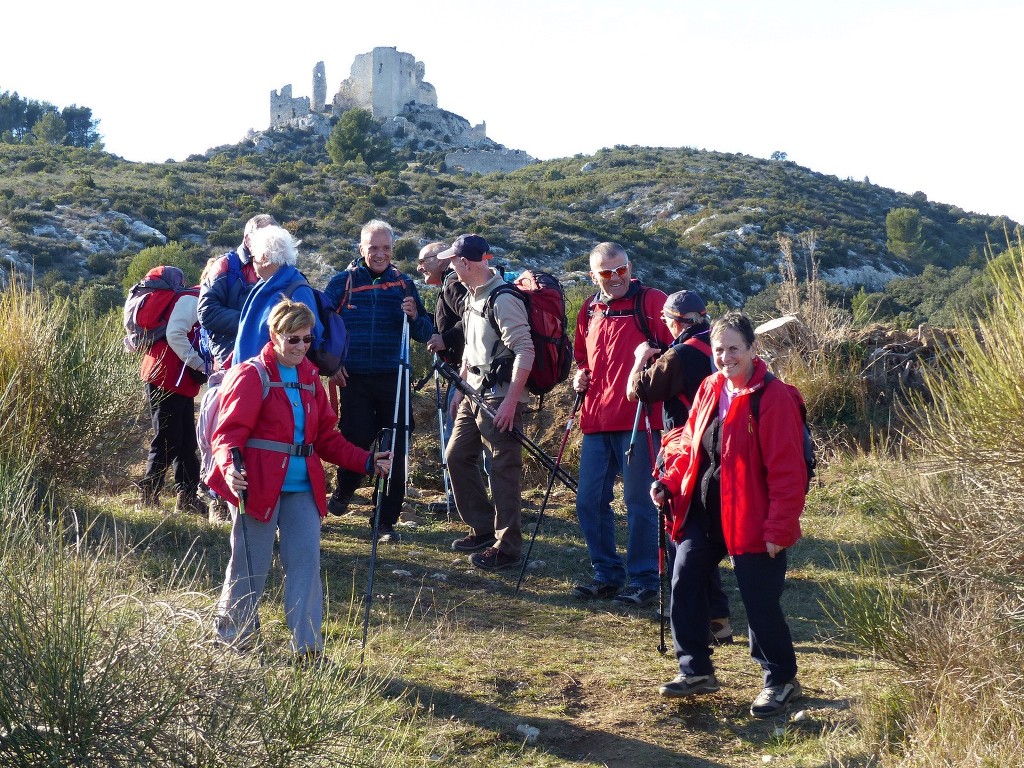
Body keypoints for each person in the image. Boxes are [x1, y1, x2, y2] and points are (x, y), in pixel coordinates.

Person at [207, 299, 392, 658]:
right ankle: (232, 642)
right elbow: (227, 434)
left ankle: (307, 649)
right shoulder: (251, 374)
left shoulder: (309, 377)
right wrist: (230, 467)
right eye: (293, 339)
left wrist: (367, 460)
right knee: (249, 566)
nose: (301, 347)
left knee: (306, 567)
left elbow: (326, 438)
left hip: (303, 488)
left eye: (307, 340)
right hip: (257, 487)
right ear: (275, 335)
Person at [651, 311, 806, 718]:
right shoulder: (709, 387)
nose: (725, 357)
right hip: (704, 510)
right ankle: (696, 670)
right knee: (684, 581)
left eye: (734, 349)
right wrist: (667, 482)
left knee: (760, 601)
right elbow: (687, 443)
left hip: (754, 515)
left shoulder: (774, 397)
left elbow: (788, 470)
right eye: (719, 350)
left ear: (753, 349)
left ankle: (781, 680)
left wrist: (779, 526)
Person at [571, 242, 675, 606]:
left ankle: (645, 578)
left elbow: (675, 350)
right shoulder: (590, 308)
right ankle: (606, 573)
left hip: (641, 418)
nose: (616, 278)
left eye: (622, 270)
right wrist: (579, 377)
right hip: (596, 419)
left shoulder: (651, 301)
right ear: (593, 276)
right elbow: (582, 357)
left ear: (631, 267)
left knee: (640, 502)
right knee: (588, 501)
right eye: (606, 273)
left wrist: (649, 368)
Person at [627, 290, 732, 643]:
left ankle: (695, 616)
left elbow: (636, 391)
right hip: (720, 448)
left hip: (683, 449)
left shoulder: (678, 354)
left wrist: (641, 358)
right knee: (703, 532)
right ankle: (718, 619)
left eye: (666, 321)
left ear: (675, 321)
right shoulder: (721, 350)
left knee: (683, 534)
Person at [322, 220, 433, 543]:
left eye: (386, 248)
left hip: (395, 378)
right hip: (353, 379)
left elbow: (426, 332)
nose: (380, 254)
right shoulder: (341, 283)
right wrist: (331, 365)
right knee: (355, 444)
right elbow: (320, 327)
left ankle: (384, 522)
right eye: (373, 248)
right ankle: (343, 493)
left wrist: (415, 317)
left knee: (394, 451)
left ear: (393, 250)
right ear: (361, 250)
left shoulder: (404, 284)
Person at [442, 234, 534, 570]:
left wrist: (511, 402)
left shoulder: (502, 299)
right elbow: (470, 348)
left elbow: (526, 350)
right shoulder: (472, 296)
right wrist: (460, 388)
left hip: (499, 395)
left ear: (465, 263)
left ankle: (507, 547)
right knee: (457, 455)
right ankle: (483, 528)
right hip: (475, 393)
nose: (451, 266)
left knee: (502, 467)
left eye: (453, 261)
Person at [136, 266, 207, 515]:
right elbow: (175, 334)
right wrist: (200, 363)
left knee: (187, 440)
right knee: (166, 439)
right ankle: (147, 497)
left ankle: (186, 496)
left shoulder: (203, 299)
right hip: (165, 376)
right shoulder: (194, 299)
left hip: (180, 380)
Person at [233, 225, 324, 365]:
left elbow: (310, 338)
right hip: (252, 374)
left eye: (253, 258)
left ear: (265, 257)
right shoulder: (263, 286)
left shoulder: (297, 289)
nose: (252, 264)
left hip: (276, 379)